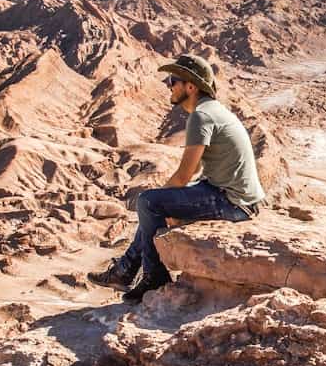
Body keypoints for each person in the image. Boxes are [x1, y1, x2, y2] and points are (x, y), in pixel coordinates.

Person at [89, 53, 265, 303]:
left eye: (173, 80)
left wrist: (159, 200)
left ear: (190, 86)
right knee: (153, 206)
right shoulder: (213, 110)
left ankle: (153, 277)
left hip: (233, 203)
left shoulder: (201, 116)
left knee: (148, 203)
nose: (168, 86)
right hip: (233, 196)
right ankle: (124, 271)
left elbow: (184, 176)